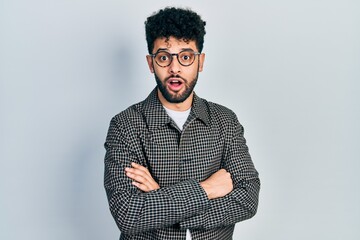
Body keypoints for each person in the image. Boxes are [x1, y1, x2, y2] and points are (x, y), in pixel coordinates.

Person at [104, 7, 260, 240]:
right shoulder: (125, 126)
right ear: (150, 63)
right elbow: (128, 214)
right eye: (164, 57)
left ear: (200, 62)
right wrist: (206, 189)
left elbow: (247, 199)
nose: (174, 68)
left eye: (186, 57)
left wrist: (159, 197)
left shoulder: (225, 121)